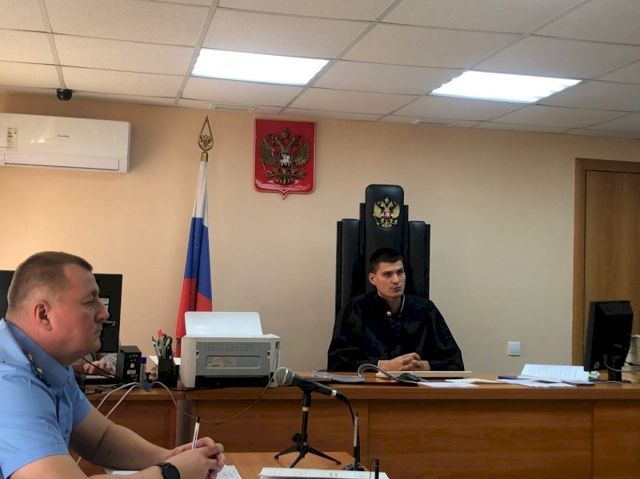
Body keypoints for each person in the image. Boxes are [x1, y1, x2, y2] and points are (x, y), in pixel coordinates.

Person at [0, 251, 225, 479]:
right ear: (43, 314)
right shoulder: (10, 384)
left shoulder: (47, 363)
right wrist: (172, 472)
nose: (104, 312)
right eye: (89, 302)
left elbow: (101, 439)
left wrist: (170, 456)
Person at [327, 248, 464, 372]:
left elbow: (455, 361)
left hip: (418, 387)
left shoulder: (425, 308)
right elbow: (337, 362)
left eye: (400, 272)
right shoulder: (356, 308)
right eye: (387, 274)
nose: (396, 280)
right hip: (372, 388)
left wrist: (426, 366)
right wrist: (383, 366)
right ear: (372, 279)